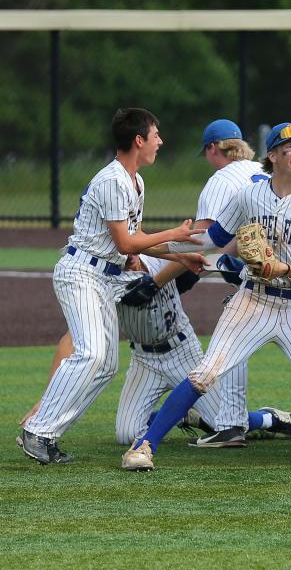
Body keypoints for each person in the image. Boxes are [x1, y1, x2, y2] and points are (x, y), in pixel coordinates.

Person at [120, 122, 291, 471]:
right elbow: (214, 238)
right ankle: (145, 445)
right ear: (272, 155)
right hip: (252, 300)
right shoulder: (249, 195)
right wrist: (152, 245)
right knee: (205, 373)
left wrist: (284, 270)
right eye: (290, 147)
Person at [19, 108, 203, 465]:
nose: (160, 141)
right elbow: (125, 243)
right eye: (155, 135)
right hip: (83, 273)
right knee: (90, 353)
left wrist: (181, 256)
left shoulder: (135, 181)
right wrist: (176, 236)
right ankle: (38, 432)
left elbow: (134, 243)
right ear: (139, 140)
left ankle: (45, 434)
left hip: (108, 275)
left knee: (104, 365)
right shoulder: (114, 180)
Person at [21, 254, 291, 446]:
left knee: (225, 424)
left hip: (182, 353)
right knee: (126, 435)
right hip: (143, 361)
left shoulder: (162, 259)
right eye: (120, 256)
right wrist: (47, 400)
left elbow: (206, 256)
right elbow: (71, 338)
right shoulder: (105, 283)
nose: (128, 261)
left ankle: (269, 419)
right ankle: (185, 414)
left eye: (130, 253)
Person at [194, 118, 271, 445]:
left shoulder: (220, 179)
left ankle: (234, 423)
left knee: (233, 328)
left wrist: (159, 249)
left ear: (213, 149)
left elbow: (204, 238)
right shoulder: (264, 170)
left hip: (265, 273)